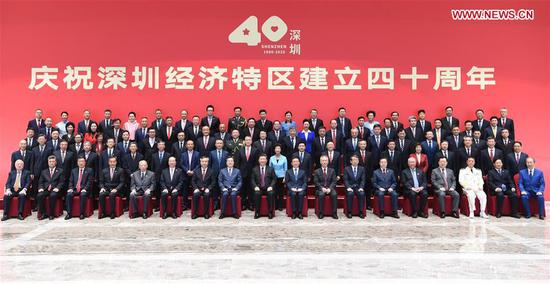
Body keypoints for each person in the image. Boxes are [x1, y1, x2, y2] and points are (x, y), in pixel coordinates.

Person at [36, 155, 64, 220]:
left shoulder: (60, 171)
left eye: (53, 161)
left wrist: (58, 188)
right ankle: (43, 213)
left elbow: (61, 182)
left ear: (55, 162)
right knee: (40, 195)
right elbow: (40, 182)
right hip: (46, 189)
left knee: (53, 195)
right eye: (50, 161)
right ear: (48, 162)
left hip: (55, 189)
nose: (51, 163)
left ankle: (51, 214)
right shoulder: (44, 171)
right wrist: (40, 188)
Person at [251, 154, 276, 219]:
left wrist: (271, 186)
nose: (262, 160)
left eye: (264, 159)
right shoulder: (254, 169)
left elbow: (274, 179)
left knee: (271, 193)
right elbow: (252, 179)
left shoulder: (271, 169)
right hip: (259, 188)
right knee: (256, 193)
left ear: (266, 160)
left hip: (268, 188)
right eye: (261, 159)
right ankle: (257, 212)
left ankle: (270, 212)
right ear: (259, 160)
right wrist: (255, 186)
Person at [313, 155, 338, 219]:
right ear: (320, 162)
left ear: (328, 161)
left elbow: (334, 181)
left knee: (334, 194)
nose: (324, 162)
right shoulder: (316, 171)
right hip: (320, 189)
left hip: (330, 188)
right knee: (321, 195)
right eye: (323, 160)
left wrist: (330, 188)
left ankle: (334, 213)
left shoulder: (332, 170)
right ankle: (321, 213)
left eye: (326, 160)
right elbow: (316, 182)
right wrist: (322, 188)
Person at [269, 144, 287, 211]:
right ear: (274, 150)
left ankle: (280, 206)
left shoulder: (284, 158)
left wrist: (285, 177)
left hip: (281, 177)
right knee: (274, 192)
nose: (277, 150)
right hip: (273, 177)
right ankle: (275, 205)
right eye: (276, 148)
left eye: (279, 148)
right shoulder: (271, 158)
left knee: (281, 192)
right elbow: (270, 168)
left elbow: (285, 169)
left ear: (280, 150)